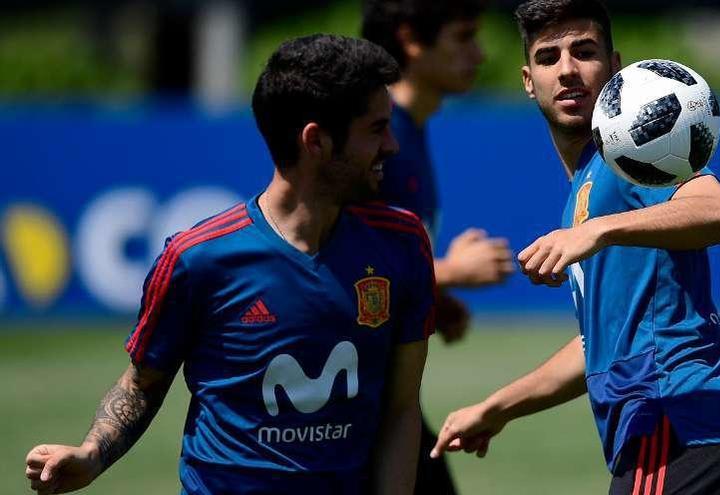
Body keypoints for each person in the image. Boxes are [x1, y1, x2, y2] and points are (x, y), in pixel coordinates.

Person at [25, 34, 434, 495]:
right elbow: (143, 384)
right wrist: (92, 453)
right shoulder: (197, 258)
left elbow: (401, 409)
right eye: (377, 129)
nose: (393, 146)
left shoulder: (401, 242)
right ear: (316, 141)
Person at [430, 1, 720, 493]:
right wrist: (496, 408)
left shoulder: (630, 153)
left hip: (675, 429)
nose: (567, 70)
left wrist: (599, 230)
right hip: (686, 442)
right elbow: (597, 344)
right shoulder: (583, 188)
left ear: (615, 68)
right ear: (529, 81)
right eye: (549, 57)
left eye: (584, 52)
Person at [362, 2, 514, 493]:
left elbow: (383, 256)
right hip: (349, 406)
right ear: (410, 38)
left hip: (385, 401)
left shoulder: (412, 127)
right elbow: (334, 264)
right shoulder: (377, 137)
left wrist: (431, 297)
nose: (481, 53)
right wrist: (449, 271)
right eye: (464, 35)